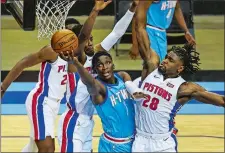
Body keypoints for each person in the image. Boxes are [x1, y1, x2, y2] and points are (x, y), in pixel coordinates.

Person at [132, 8, 225, 151]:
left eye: (170, 60)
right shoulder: (151, 67)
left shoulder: (184, 88)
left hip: (162, 143)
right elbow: (140, 29)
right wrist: (143, 5)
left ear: (180, 68)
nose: (164, 61)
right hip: (140, 140)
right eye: (166, 57)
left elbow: (222, 101)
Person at [57, 1, 139, 152]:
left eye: (91, 39)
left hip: (88, 122)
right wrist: (95, 11)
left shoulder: (96, 57)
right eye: (85, 41)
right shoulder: (75, 60)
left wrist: (131, 10)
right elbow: (83, 36)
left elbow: (116, 33)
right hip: (73, 120)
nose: (89, 43)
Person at [130, 0, 196, 62]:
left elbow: (177, 8)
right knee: (155, 65)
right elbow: (136, 17)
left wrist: (186, 31)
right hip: (150, 31)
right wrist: (135, 44)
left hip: (161, 32)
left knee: (151, 67)